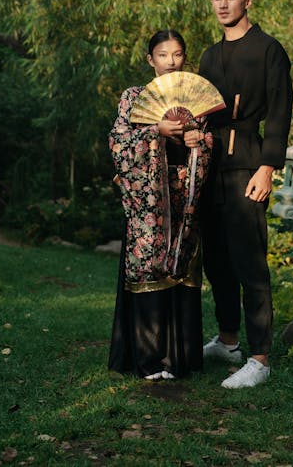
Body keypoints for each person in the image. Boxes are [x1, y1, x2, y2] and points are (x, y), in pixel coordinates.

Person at [199, 0, 293, 389]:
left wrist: (267, 167)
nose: (223, 4)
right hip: (210, 166)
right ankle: (229, 340)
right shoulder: (209, 56)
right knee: (216, 261)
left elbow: (279, 112)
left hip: (248, 165)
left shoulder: (269, 50)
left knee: (249, 263)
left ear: (248, 1)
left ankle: (259, 358)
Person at [108, 30, 213, 380]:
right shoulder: (134, 97)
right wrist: (156, 131)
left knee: (182, 264)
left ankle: (180, 358)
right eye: (163, 55)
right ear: (150, 59)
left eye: (178, 54)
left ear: (185, 58)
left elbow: (206, 141)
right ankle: (149, 359)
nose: (171, 61)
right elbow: (119, 143)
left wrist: (199, 139)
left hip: (184, 198)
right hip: (150, 200)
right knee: (149, 264)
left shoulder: (197, 96)